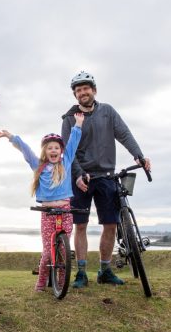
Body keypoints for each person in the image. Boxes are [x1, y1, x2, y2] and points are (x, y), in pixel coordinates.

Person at [61, 71, 151, 288]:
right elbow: (68, 152)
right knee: (80, 225)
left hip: (106, 176)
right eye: (78, 90)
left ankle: (105, 270)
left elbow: (124, 134)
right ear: (75, 95)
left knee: (110, 224)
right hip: (81, 177)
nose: (83, 92)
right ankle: (81, 272)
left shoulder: (108, 112)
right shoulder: (68, 119)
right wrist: (77, 174)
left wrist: (139, 155)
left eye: (86, 88)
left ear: (94, 90)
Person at [0, 112, 84, 291]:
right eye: (50, 148)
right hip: (47, 214)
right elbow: (26, 150)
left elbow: (73, 143)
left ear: (61, 151)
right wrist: (11, 136)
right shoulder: (39, 166)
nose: (53, 151)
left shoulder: (66, 162)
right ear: (45, 151)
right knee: (47, 255)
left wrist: (78, 124)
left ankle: (60, 283)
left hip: (65, 211)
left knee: (63, 253)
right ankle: (41, 282)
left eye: (56, 148)